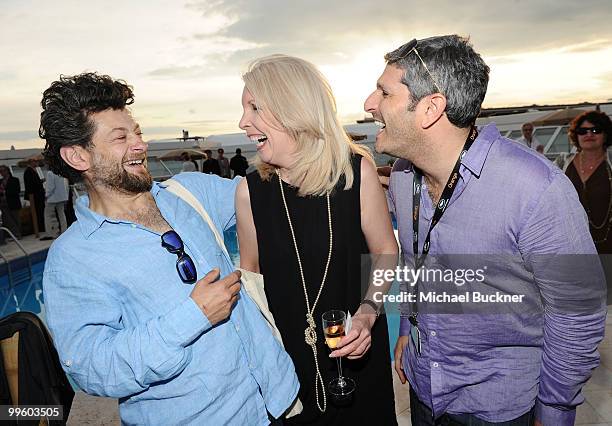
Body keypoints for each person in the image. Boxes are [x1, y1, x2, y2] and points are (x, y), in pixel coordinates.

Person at [364, 35, 607, 426]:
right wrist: (410, 326)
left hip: (499, 406)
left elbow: (578, 313)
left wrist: (554, 408)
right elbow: (414, 263)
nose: (369, 104)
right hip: (423, 386)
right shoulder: (403, 178)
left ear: (430, 108)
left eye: (384, 92)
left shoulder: (535, 189)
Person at [39, 72, 299, 425]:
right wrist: (192, 317)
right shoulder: (72, 260)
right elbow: (92, 368)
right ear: (78, 156)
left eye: (138, 133)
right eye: (120, 137)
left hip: (279, 400)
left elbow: (272, 193)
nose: (140, 145)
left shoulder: (191, 192)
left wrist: (353, 175)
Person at [236, 54, 398, 425]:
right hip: (288, 375)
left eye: (254, 107)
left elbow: (386, 251)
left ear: (293, 108)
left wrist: (368, 313)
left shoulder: (357, 173)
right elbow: (252, 286)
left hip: (359, 362)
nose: (243, 122)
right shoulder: (249, 194)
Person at [563, 110, 612, 253]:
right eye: (582, 131)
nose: (589, 135)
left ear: (606, 135)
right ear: (576, 135)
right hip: (574, 246)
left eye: (596, 130)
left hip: (607, 244)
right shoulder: (563, 164)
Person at [43, 169, 70, 238]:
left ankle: (50, 233)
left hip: (52, 198)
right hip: (62, 197)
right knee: (61, 214)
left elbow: (50, 187)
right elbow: (65, 185)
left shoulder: (50, 173)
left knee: (48, 215)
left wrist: (46, 195)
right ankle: (64, 231)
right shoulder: (60, 172)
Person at [23, 158, 46, 234]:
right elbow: (30, 184)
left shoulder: (34, 170)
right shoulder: (28, 171)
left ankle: (42, 226)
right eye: (35, 161)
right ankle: (39, 227)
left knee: (41, 211)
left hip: (38, 194)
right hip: (35, 196)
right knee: (38, 211)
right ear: (31, 162)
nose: (36, 163)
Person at [0, 165, 22, 239]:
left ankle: (18, 234)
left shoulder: (15, 180)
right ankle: (13, 235)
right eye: (1, 171)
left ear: (7, 170)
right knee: (8, 220)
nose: (2, 172)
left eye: (3, 170)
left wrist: (6, 191)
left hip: (13, 202)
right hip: (3, 203)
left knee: (16, 219)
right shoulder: (1, 181)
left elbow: (17, 190)